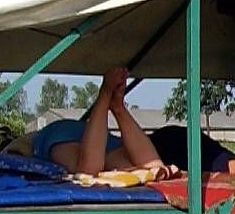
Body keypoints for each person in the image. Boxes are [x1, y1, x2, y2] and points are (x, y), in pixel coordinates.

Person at [31, 70, 179, 177]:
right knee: (88, 170)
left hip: (93, 139)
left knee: (154, 170)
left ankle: (115, 104)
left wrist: (110, 97)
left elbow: (155, 167)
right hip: (62, 137)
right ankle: (113, 101)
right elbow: (87, 170)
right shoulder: (55, 140)